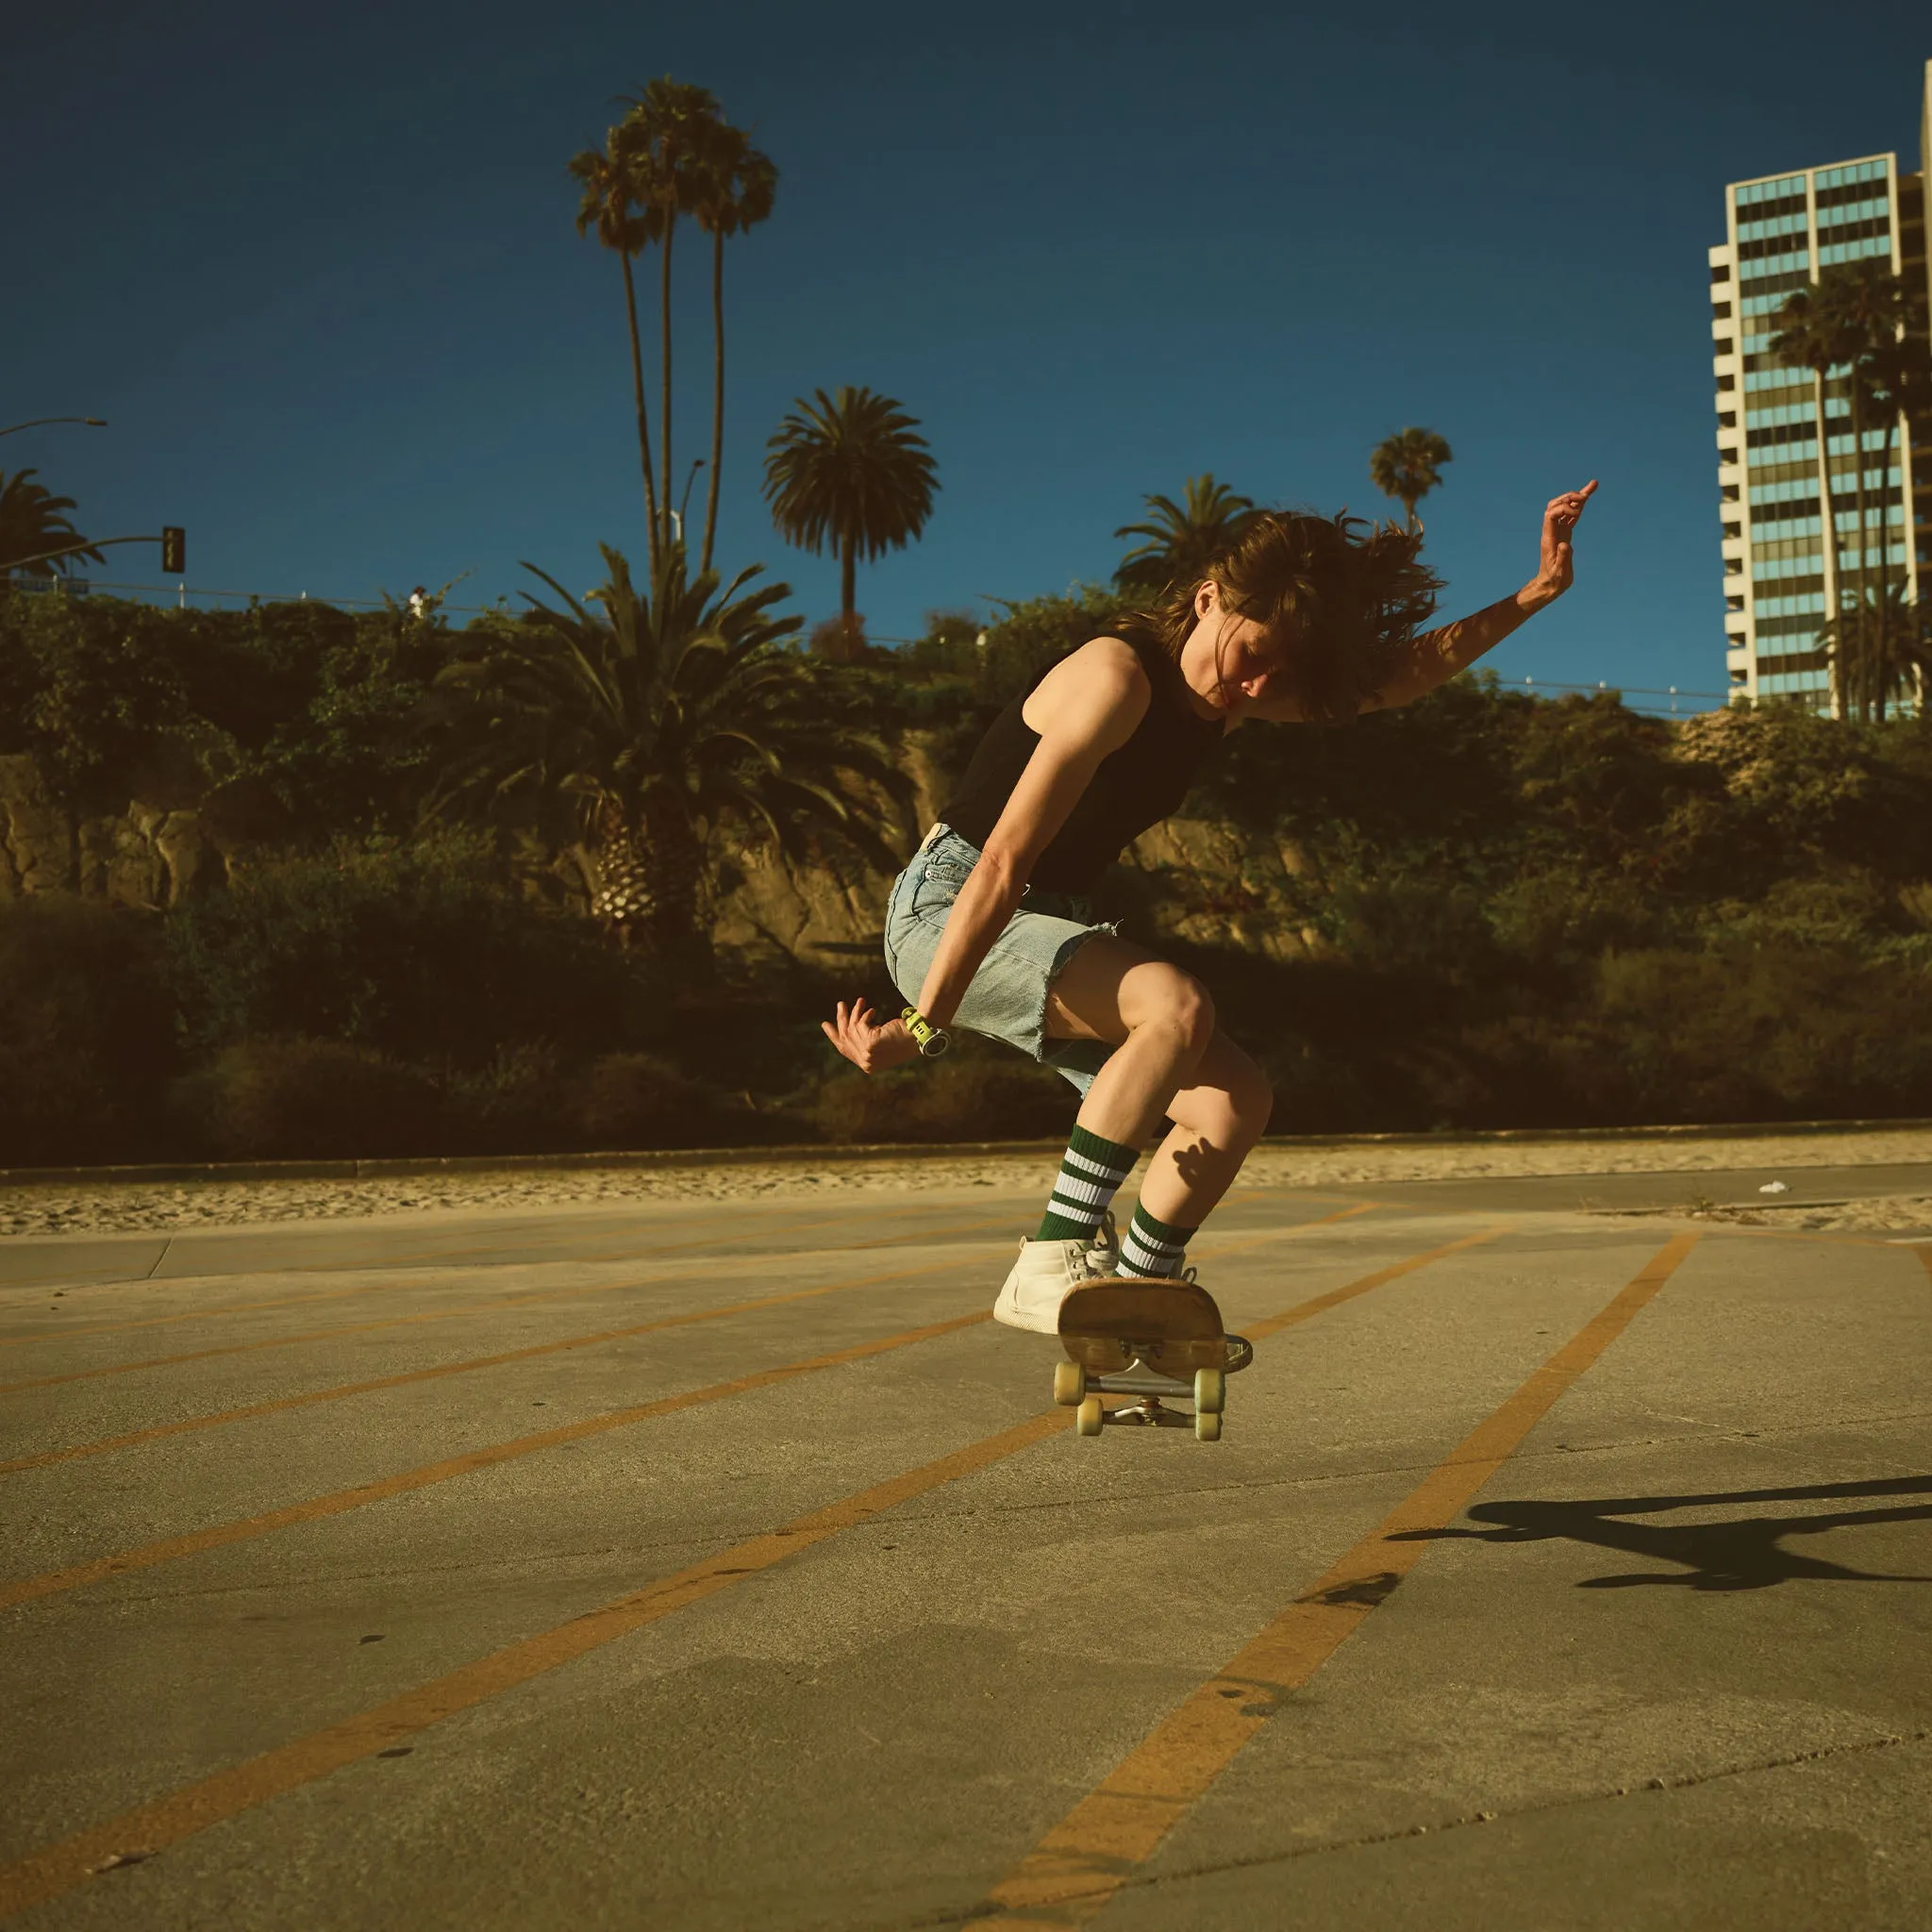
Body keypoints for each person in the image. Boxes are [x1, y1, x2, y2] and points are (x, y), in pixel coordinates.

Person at [823, 484, 1596, 1331]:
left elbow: (1396, 678)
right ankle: (1049, 1256)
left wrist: (1535, 593)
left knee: (1233, 1103)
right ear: (1206, 599)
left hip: (1046, 926)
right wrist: (923, 1026)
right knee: (1175, 1005)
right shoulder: (1116, 678)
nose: (1256, 686)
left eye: (1278, 673)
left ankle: (1140, 1291)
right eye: (1250, 656)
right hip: (953, 910)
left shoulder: (1230, 700)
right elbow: (1005, 859)